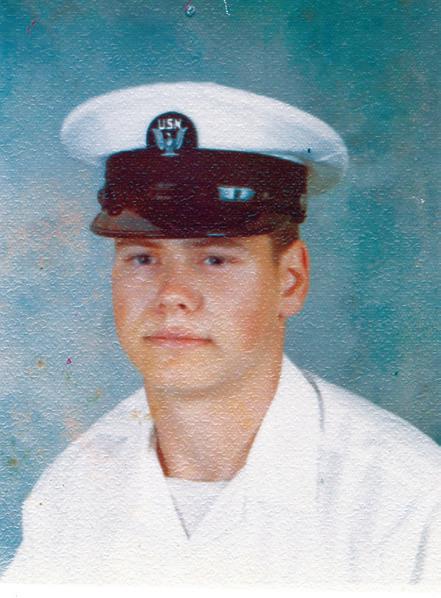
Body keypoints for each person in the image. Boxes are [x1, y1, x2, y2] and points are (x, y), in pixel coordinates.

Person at [3, 82, 441, 586]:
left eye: (214, 259)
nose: (173, 294)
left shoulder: (404, 502)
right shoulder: (72, 492)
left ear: (290, 281)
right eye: (142, 258)